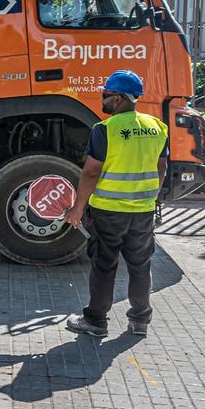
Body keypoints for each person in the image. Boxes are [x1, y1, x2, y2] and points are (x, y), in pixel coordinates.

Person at [63, 70, 168, 338]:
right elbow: (161, 167)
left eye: (106, 95)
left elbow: (90, 173)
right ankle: (140, 321)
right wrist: (149, 197)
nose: (102, 99)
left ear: (119, 99)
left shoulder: (105, 130)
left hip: (109, 212)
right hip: (142, 211)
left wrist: (77, 208)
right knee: (140, 264)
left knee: (104, 265)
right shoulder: (156, 127)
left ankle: (96, 321)